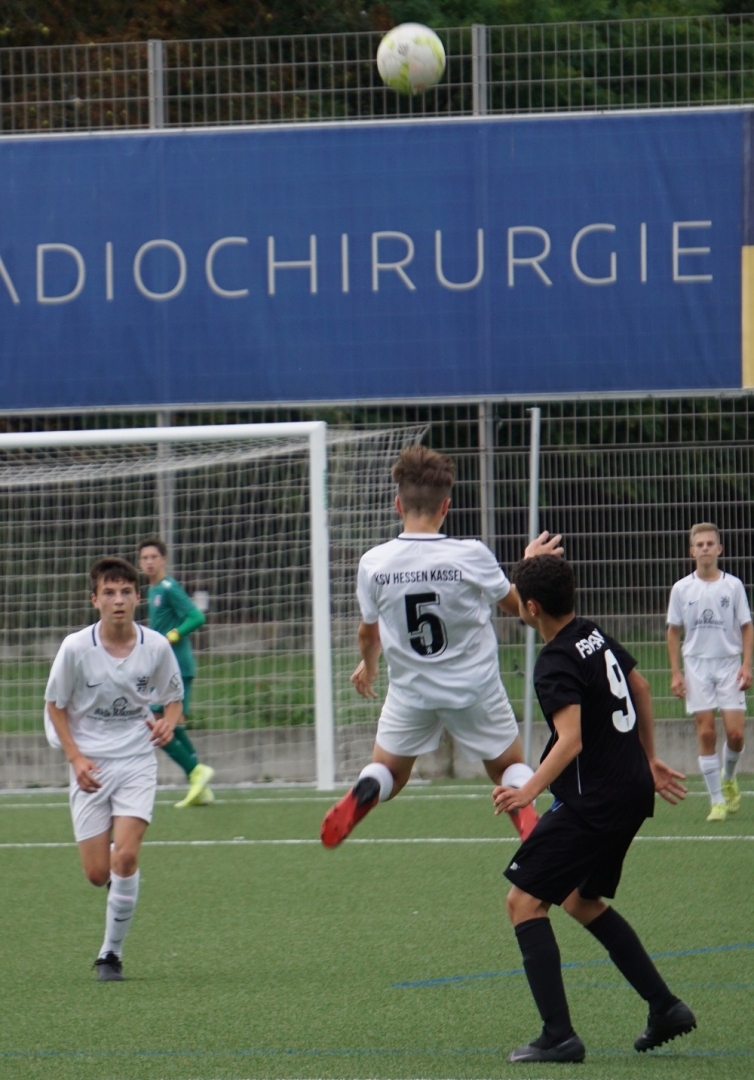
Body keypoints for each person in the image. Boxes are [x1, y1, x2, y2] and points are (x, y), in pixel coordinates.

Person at [494, 554, 694, 1064]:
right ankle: (665, 1007)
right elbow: (641, 686)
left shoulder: (554, 660)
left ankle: (558, 1036)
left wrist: (527, 790)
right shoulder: (590, 633)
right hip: (630, 792)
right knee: (580, 900)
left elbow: (571, 740)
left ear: (531, 607)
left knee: (523, 903)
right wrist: (648, 758)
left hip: (595, 801)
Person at [320, 444, 562, 848]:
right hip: (474, 689)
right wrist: (529, 563)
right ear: (446, 507)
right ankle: (523, 814)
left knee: (389, 773)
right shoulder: (470, 554)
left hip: (411, 692)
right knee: (507, 767)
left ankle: (366, 788)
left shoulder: (374, 563)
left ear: (398, 505)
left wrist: (370, 664)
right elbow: (521, 609)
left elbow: (368, 633)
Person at [44, 557, 184, 981]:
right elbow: (55, 706)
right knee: (96, 873)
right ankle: (117, 877)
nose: (118, 600)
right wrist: (75, 758)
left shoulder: (155, 646)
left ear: (138, 597)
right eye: (109, 592)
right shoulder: (75, 648)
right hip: (90, 765)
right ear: (95, 600)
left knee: (125, 857)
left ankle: (111, 954)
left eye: (125, 592)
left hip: (137, 761)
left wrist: (168, 723)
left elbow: (173, 699)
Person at [666, 522, 752, 822]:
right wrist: (676, 672)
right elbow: (673, 631)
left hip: (729, 663)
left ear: (719, 549)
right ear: (692, 551)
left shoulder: (733, 586)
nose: (705, 549)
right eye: (699, 545)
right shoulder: (681, 588)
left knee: (736, 734)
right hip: (696, 665)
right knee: (706, 732)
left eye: (709, 544)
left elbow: (747, 626)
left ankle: (728, 776)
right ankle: (717, 800)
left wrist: (746, 664)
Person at [138, 537, 215, 808]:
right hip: (163, 666)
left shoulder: (169, 587)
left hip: (177, 666)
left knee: (159, 724)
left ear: (163, 560)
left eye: (153, 557)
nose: (149, 562)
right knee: (166, 723)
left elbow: (196, 616)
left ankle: (196, 772)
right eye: (144, 558)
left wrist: (172, 635)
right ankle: (199, 784)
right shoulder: (153, 590)